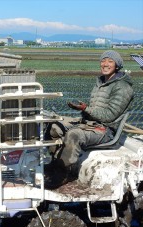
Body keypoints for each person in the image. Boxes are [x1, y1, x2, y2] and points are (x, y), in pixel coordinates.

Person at [44, 50, 134, 189]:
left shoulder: (123, 87)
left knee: (74, 135)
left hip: (106, 130)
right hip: (91, 124)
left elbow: (109, 116)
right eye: (103, 61)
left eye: (110, 61)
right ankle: (56, 163)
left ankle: (63, 174)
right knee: (54, 125)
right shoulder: (101, 82)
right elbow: (95, 109)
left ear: (117, 65)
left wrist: (85, 108)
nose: (105, 64)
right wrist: (82, 110)